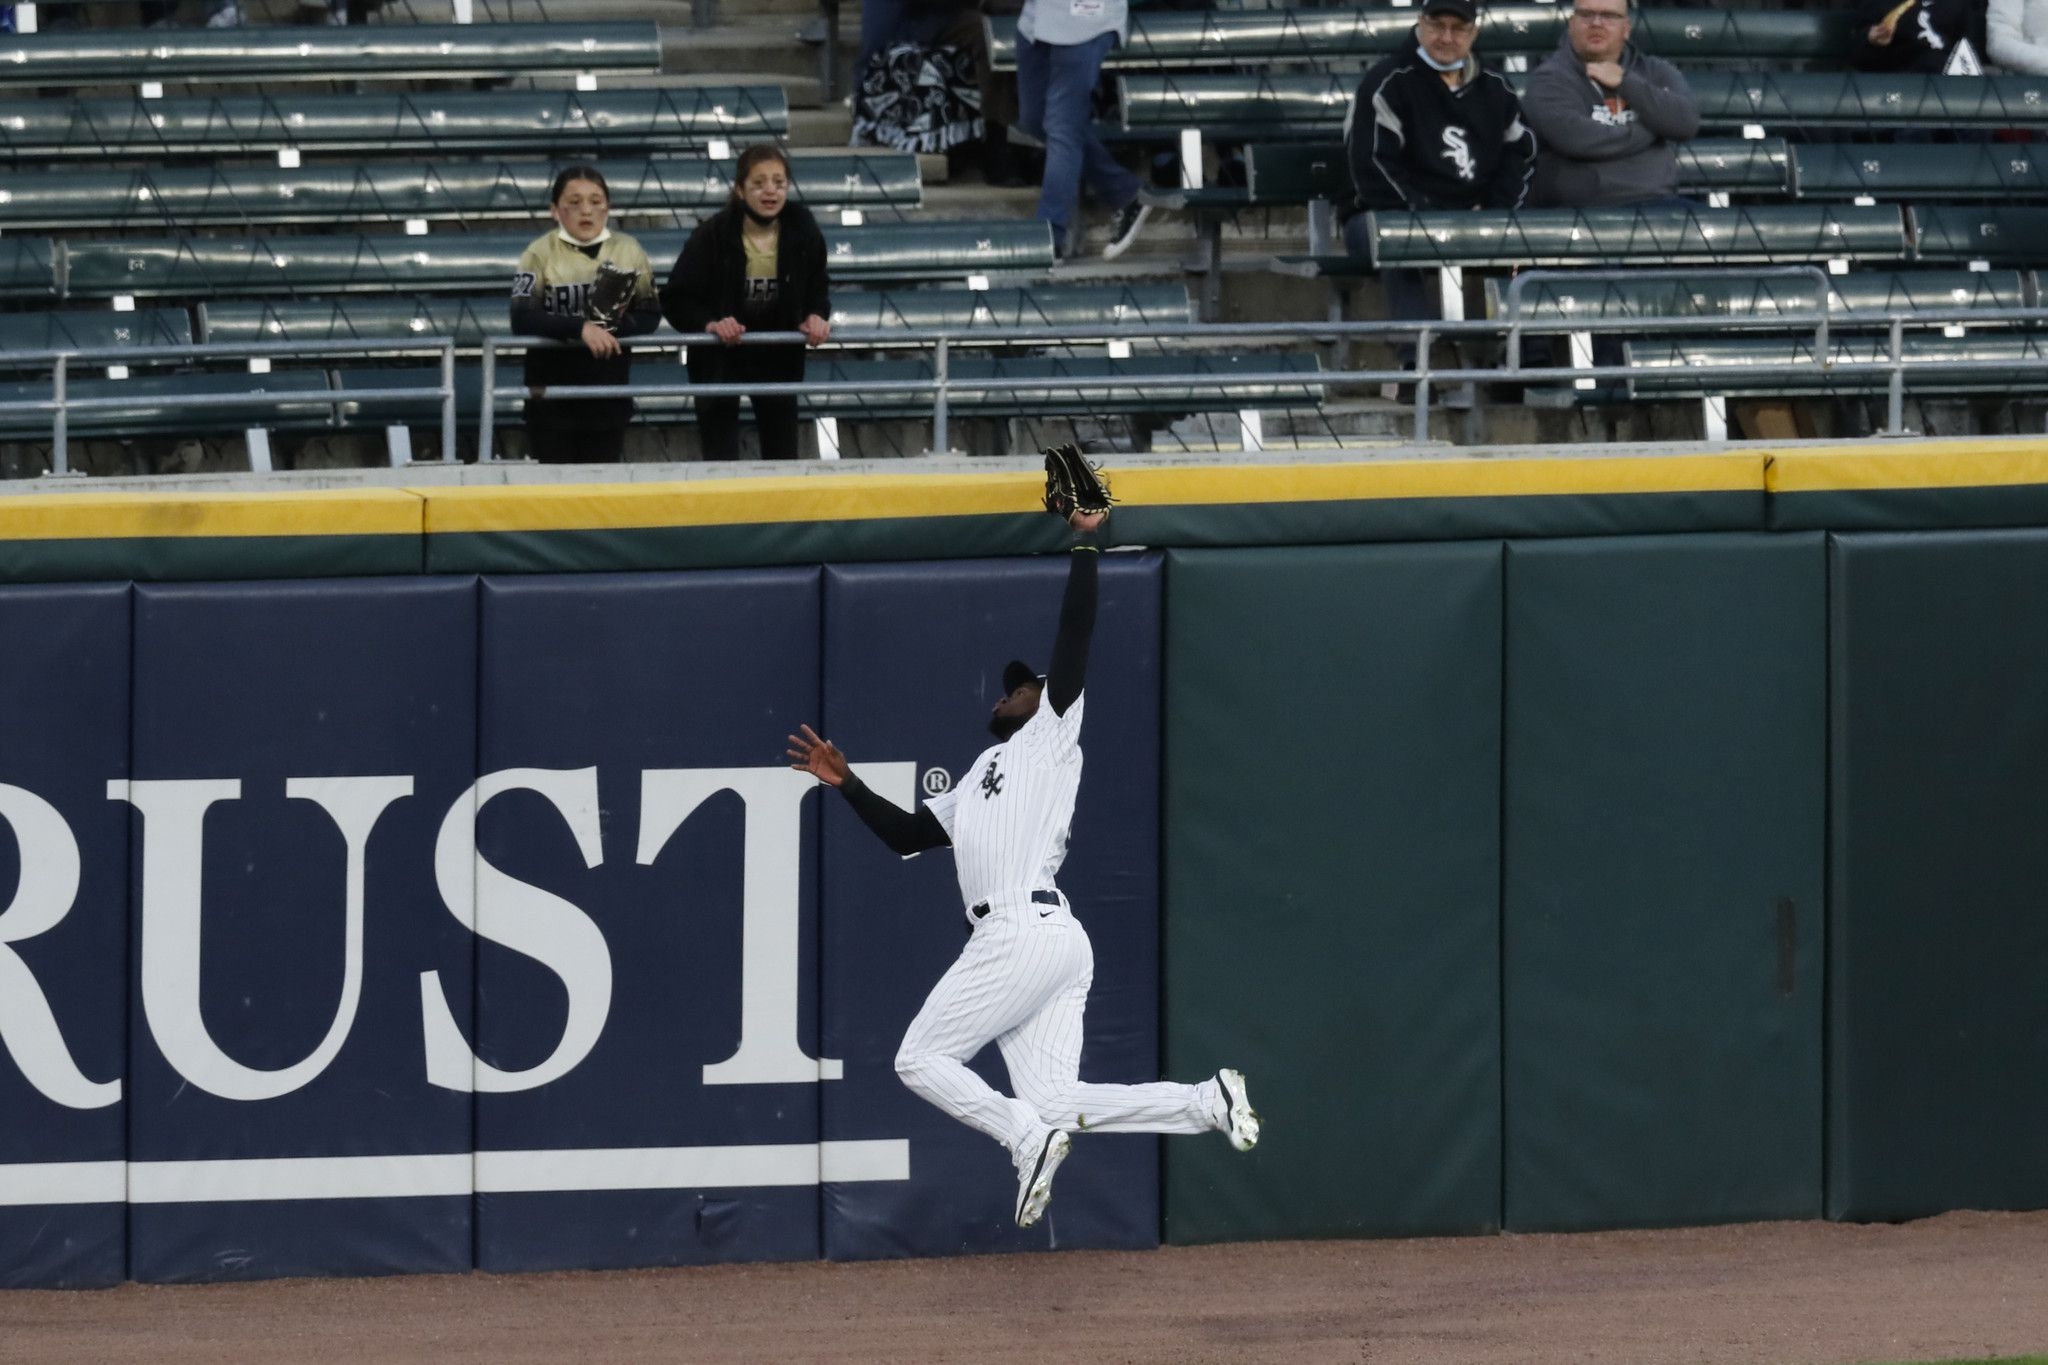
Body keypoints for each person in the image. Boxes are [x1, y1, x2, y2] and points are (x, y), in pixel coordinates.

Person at [784, 486, 1260, 1229]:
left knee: (918, 1059)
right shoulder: (979, 773)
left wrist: (1086, 543)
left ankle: (1023, 1139)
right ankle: (1204, 1102)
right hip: (1051, 942)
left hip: (1022, 930)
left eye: (1024, 683)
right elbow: (910, 835)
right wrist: (848, 784)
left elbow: (1074, 636)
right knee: (1055, 1099)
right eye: (1012, 686)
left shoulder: (1050, 737)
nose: (1013, 690)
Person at [1343, 0, 1536, 367]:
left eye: (1458, 28)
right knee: (1398, 239)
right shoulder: (1386, 82)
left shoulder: (1496, 86)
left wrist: (1494, 208)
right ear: (1419, 24)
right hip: (1385, 215)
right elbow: (1372, 169)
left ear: (1474, 32)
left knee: (1531, 238)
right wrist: (1431, 215)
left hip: (1476, 214)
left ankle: (1527, 359)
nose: (1446, 37)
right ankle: (1415, 362)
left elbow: (1522, 153)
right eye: (1437, 25)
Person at [660, 145, 833, 461]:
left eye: (778, 183)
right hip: (720, 358)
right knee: (720, 457)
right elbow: (675, 298)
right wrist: (710, 323)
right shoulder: (710, 234)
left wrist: (816, 314)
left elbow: (818, 286)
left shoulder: (803, 227)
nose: (770, 191)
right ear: (740, 190)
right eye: (759, 183)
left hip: (778, 355)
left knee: (783, 456)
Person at [509, 166, 661, 464]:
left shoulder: (628, 250)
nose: (586, 211)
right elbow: (522, 318)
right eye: (574, 202)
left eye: (595, 201)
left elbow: (651, 313)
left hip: (607, 393)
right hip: (552, 398)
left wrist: (610, 326)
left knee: (602, 495)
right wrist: (579, 328)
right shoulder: (538, 253)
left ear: (608, 207)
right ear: (555, 210)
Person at [1521, 0, 1700, 209]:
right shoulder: (1548, 79)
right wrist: (1654, 127)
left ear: (1626, 29)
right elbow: (1578, 139)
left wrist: (1626, 82)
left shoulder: (1656, 71)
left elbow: (1686, 122)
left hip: (1658, 204)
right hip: (1582, 211)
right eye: (1586, 14)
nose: (1596, 23)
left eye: (1608, 16)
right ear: (1571, 24)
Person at [1015, 0, 1154, 258]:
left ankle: (1049, 236)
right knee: (1034, 120)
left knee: (1062, 126)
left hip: (1085, 19)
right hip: (1036, 18)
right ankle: (1125, 192)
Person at [1852, 0, 1983, 72]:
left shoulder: (1957, 4)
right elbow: (1856, 50)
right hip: (1898, 80)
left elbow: (1967, 49)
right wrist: (1870, 38)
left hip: (1946, 82)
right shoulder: (1880, 4)